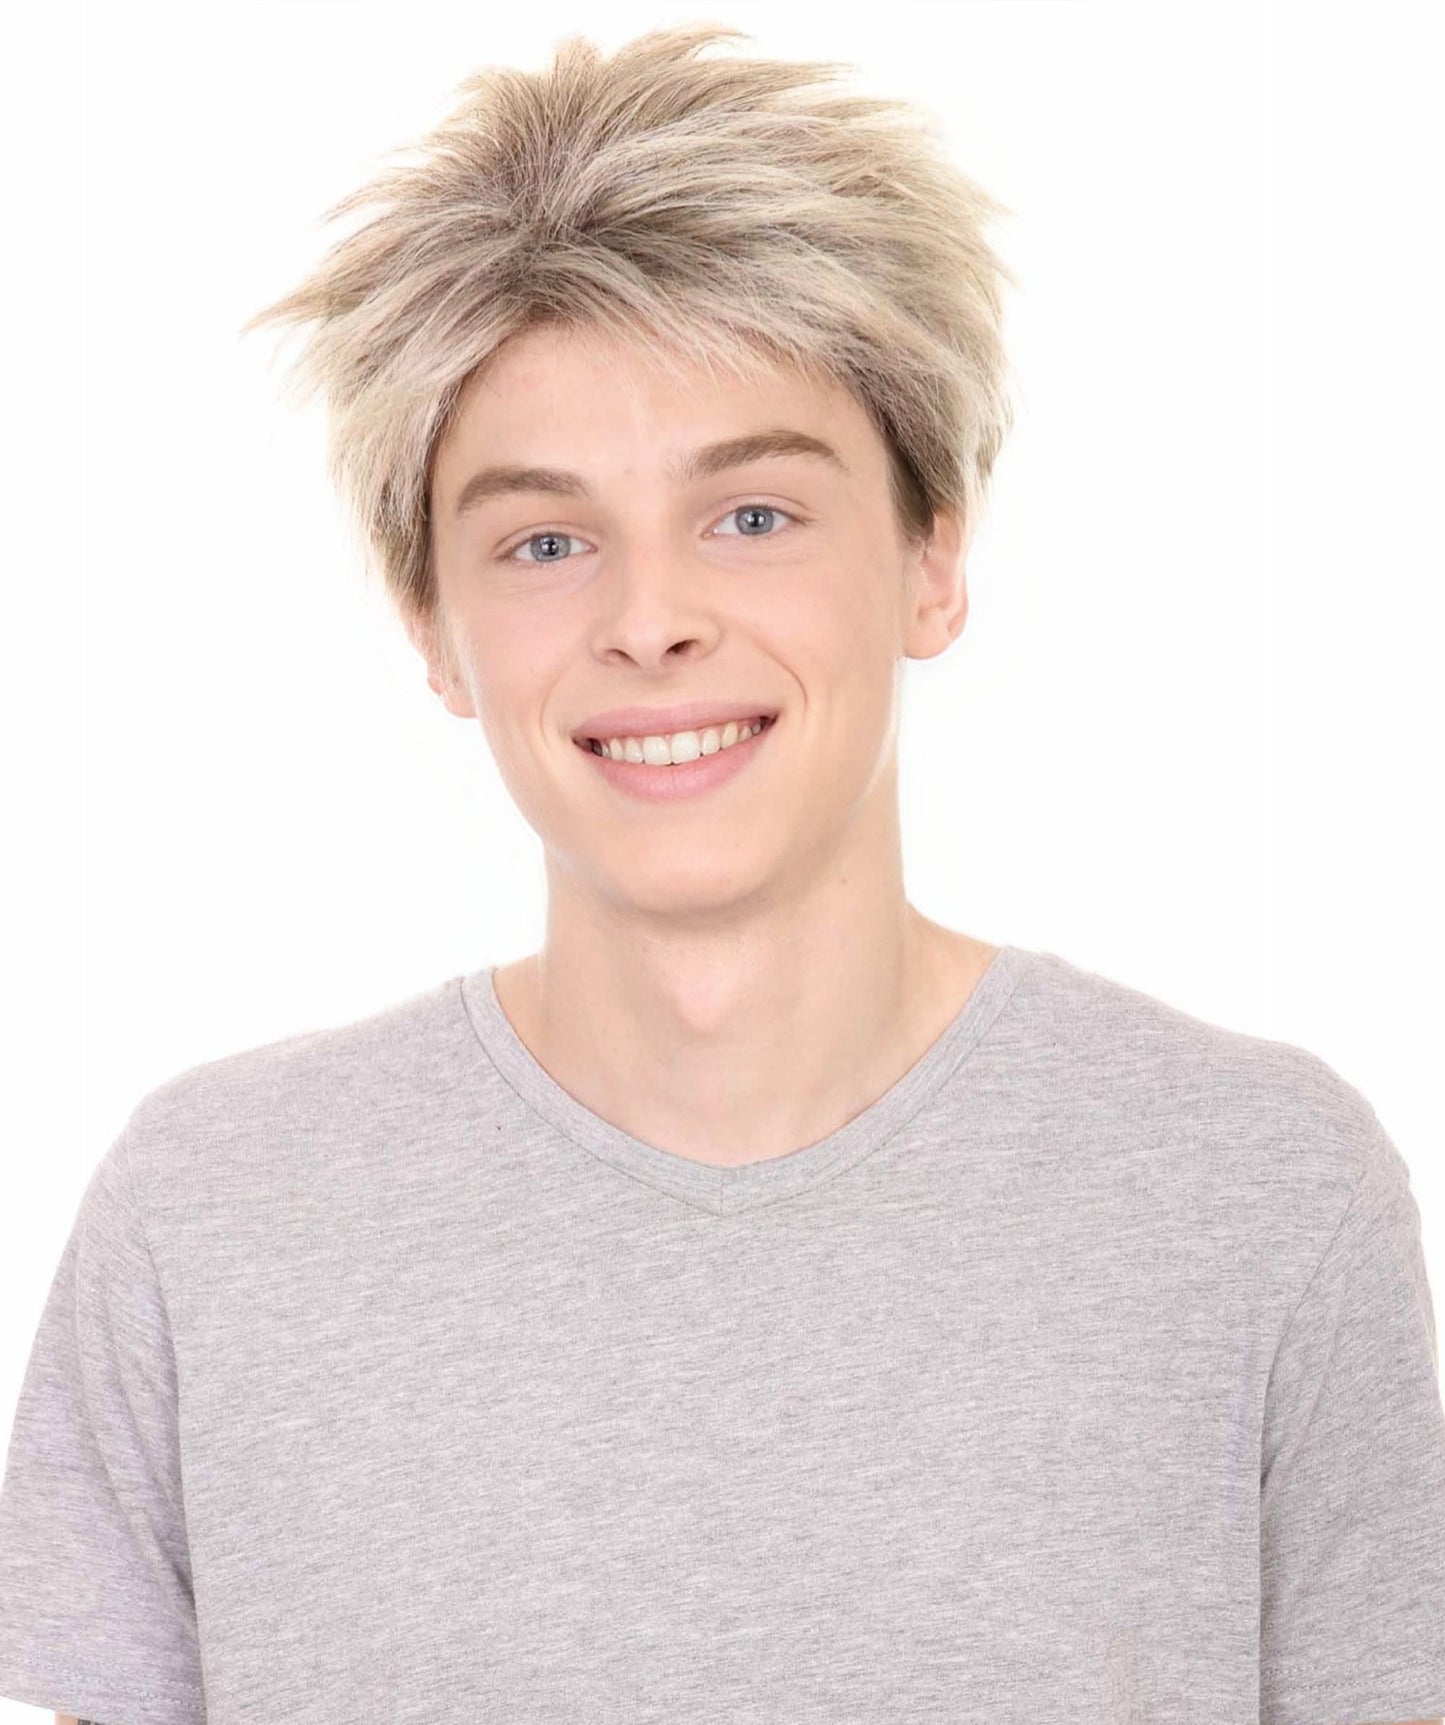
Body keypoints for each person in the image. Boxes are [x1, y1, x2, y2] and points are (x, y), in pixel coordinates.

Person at [3, 20, 1444, 1725]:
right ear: (434, 630)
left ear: (930, 558)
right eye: (545, 539)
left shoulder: (1259, 1192)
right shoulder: (207, 1219)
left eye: (751, 514)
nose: (649, 618)